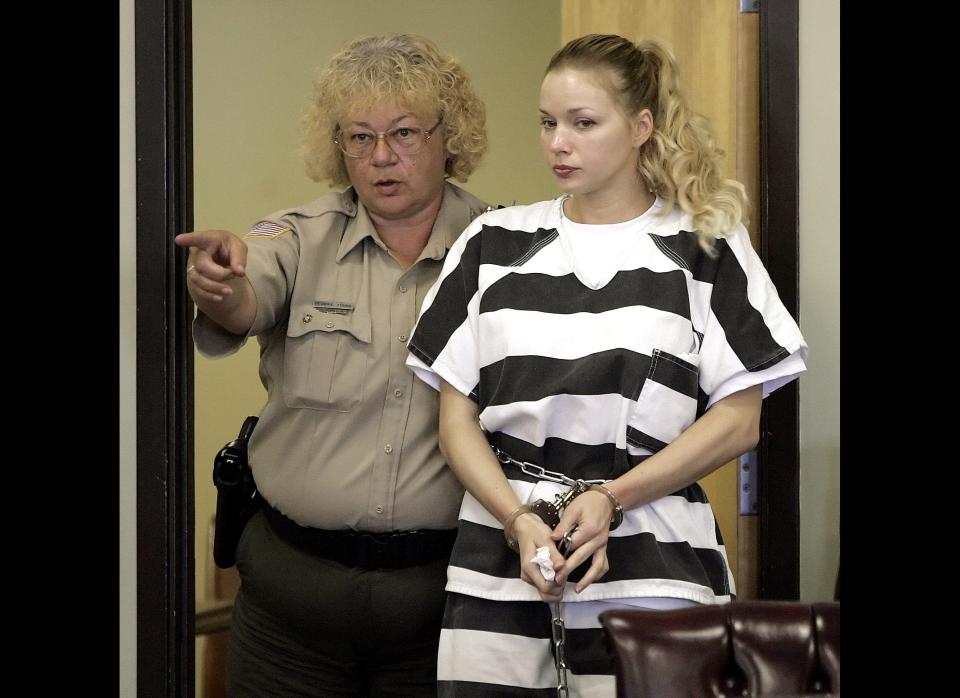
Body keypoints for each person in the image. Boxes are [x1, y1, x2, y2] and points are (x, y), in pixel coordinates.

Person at [406, 33, 808, 696]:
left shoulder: (703, 246)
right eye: (548, 123)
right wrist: (517, 519)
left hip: (653, 565)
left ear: (641, 127)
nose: (558, 143)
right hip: (503, 560)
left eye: (583, 123)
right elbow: (456, 420)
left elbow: (739, 422)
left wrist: (611, 498)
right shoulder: (493, 243)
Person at [175, 34, 489, 697]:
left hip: (444, 611)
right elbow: (246, 292)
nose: (380, 157)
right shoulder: (298, 236)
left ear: (446, 135)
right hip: (290, 614)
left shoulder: (505, 250)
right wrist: (222, 286)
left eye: (404, 133)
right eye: (358, 137)